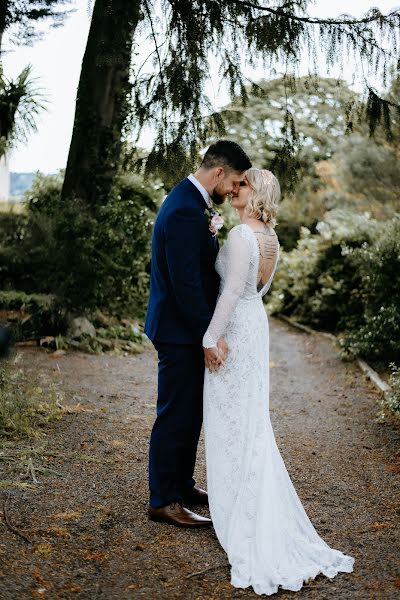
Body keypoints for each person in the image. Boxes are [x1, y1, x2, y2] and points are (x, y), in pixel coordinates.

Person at [202, 167, 355, 595]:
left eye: (243, 184)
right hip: (256, 325)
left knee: (230, 419)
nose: (235, 188)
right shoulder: (272, 238)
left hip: (235, 330)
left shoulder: (240, 236)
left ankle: (239, 512)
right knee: (249, 421)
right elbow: (257, 291)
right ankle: (246, 501)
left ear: (255, 193)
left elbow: (231, 292)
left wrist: (210, 337)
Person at [144, 140, 252, 527]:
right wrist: (209, 336)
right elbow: (186, 283)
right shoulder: (185, 210)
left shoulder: (193, 203)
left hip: (183, 326)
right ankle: (164, 499)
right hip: (178, 329)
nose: (235, 191)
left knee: (191, 411)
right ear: (219, 172)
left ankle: (183, 483)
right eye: (235, 182)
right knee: (175, 412)